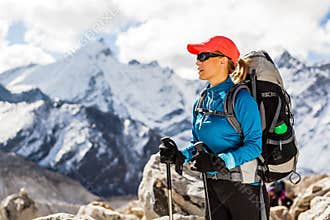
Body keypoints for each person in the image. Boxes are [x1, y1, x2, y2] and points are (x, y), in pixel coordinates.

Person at [159, 36, 270, 220]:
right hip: (212, 187)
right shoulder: (202, 101)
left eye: (203, 56)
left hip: (245, 190)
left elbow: (254, 146)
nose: (197, 61)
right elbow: (197, 144)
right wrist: (180, 155)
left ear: (222, 60)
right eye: (197, 57)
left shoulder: (242, 99)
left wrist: (221, 161)